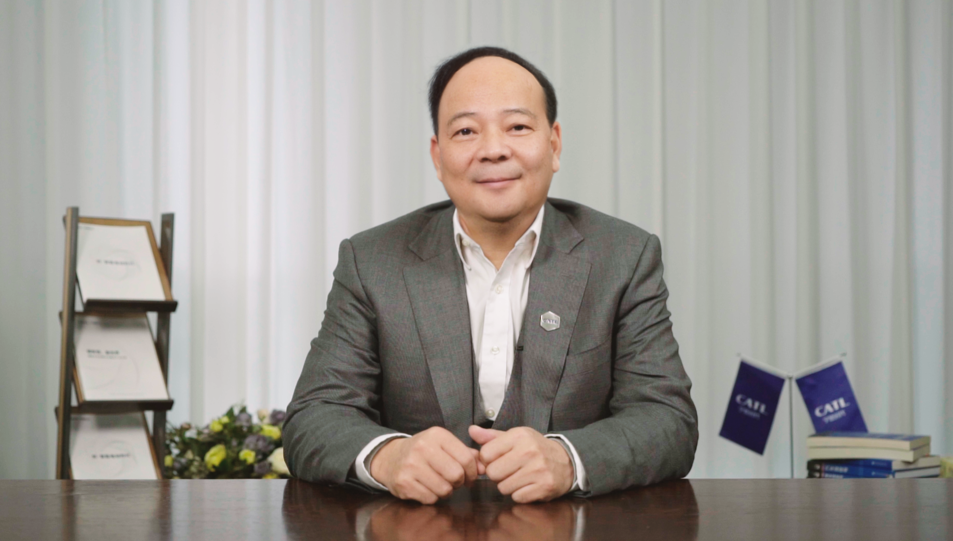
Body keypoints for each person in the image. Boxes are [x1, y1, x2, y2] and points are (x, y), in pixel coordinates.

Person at [284, 46, 697, 504]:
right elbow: (313, 417)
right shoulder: (372, 261)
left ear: (554, 144)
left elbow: (668, 420)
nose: (494, 150)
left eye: (517, 127)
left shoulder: (623, 255)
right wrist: (388, 456)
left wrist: (569, 458)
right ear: (437, 156)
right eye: (466, 131)